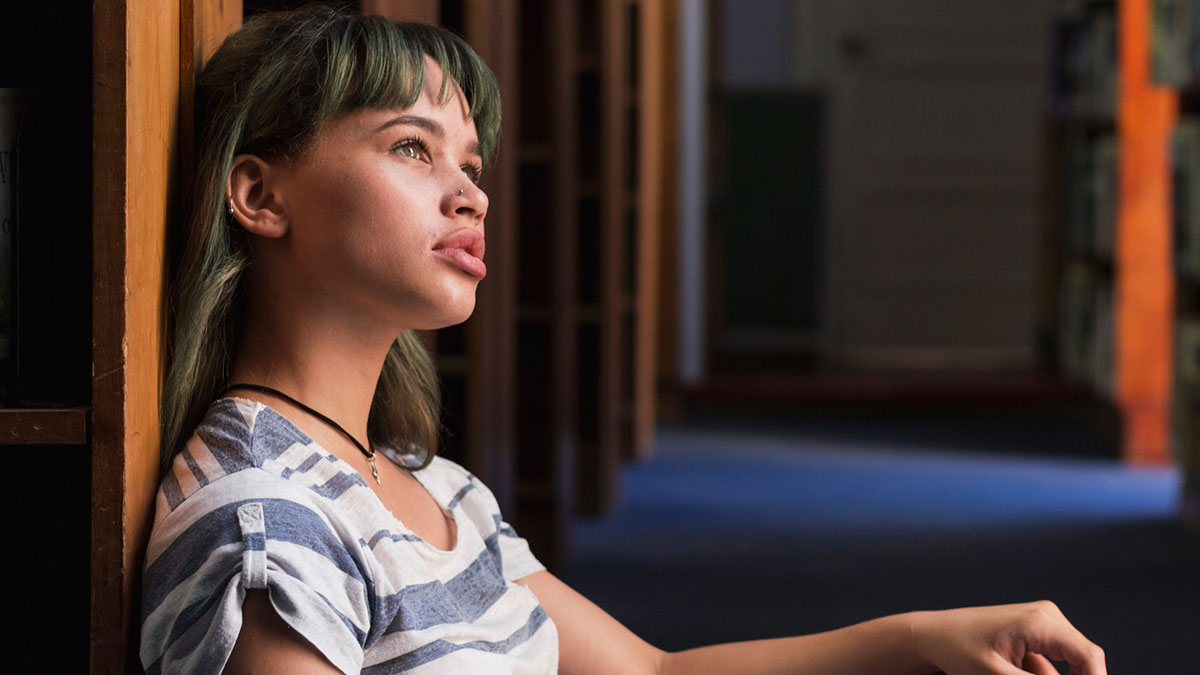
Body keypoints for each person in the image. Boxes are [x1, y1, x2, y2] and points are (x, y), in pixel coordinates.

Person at [140, 6, 1108, 674]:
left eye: (471, 162)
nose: (470, 192)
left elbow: (649, 667)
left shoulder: (427, 485)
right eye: (410, 148)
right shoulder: (266, 519)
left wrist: (929, 638)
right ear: (261, 196)